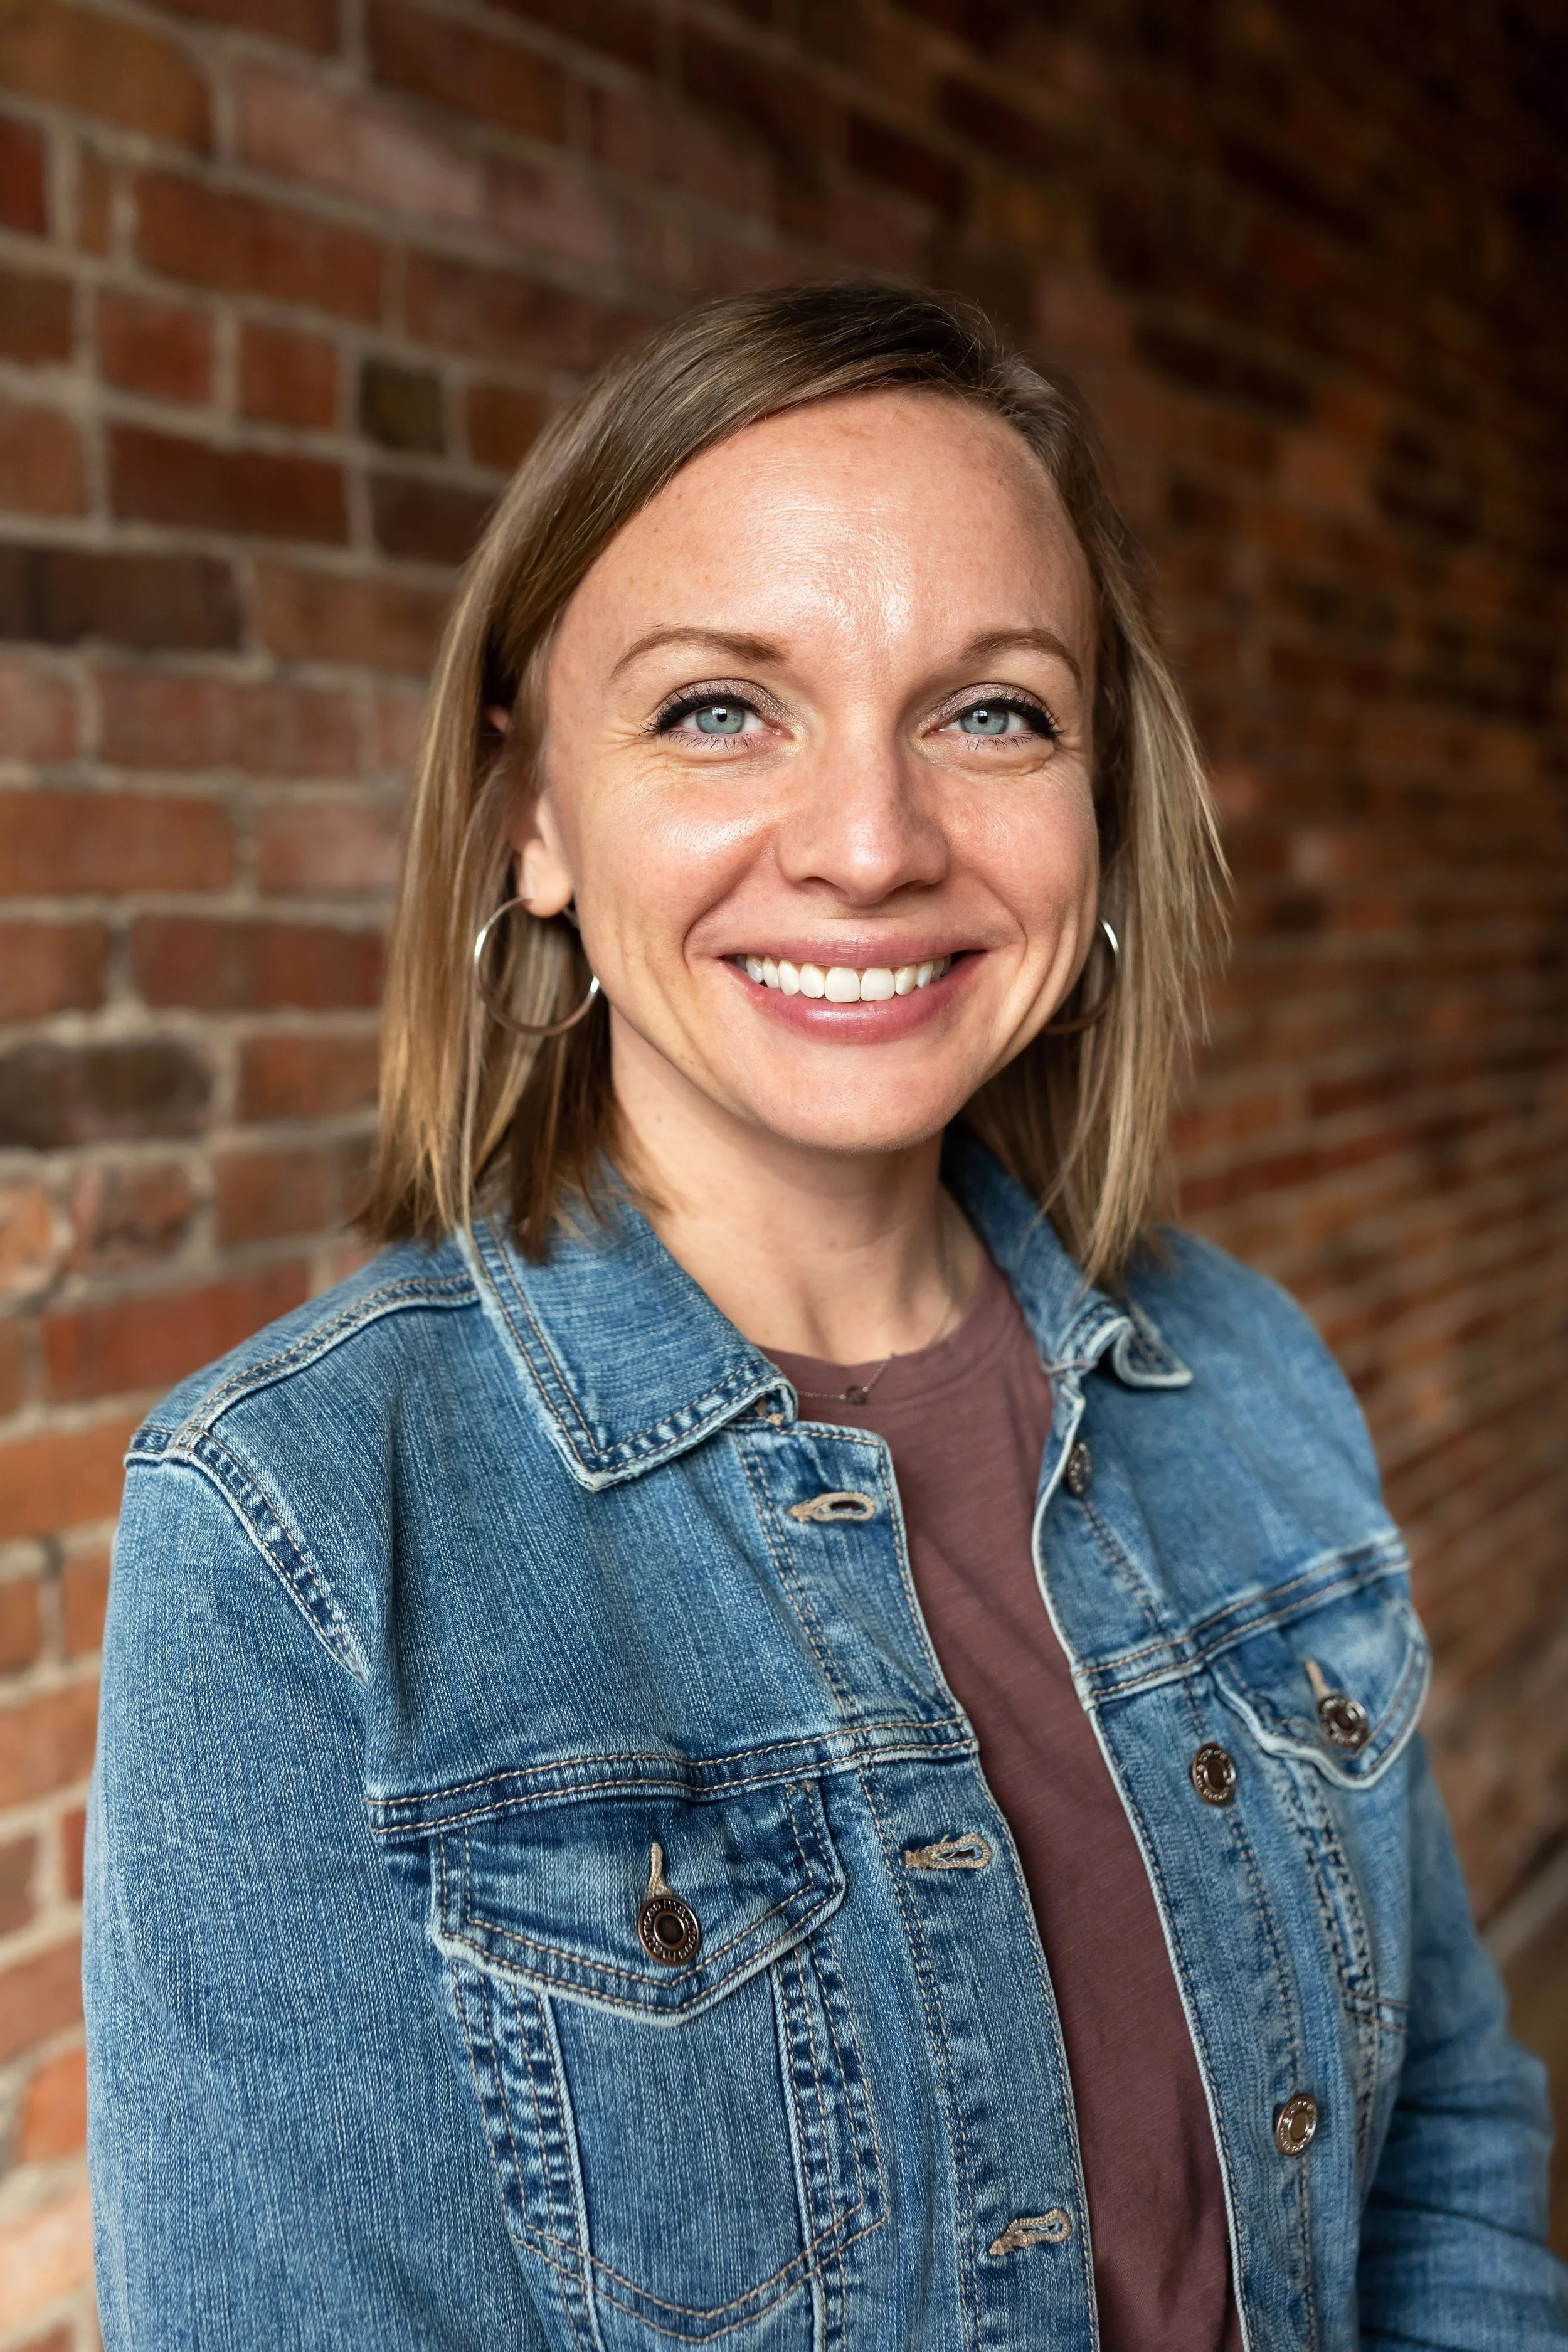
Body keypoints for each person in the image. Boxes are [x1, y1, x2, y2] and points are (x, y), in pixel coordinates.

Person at [85, 283, 1565, 2351]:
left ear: (1100, 805)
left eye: (992, 711)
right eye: (717, 707)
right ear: (530, 815)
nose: (872, 845)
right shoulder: (302, 1531)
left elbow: (1447, 2158)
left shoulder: (1245, 1377)